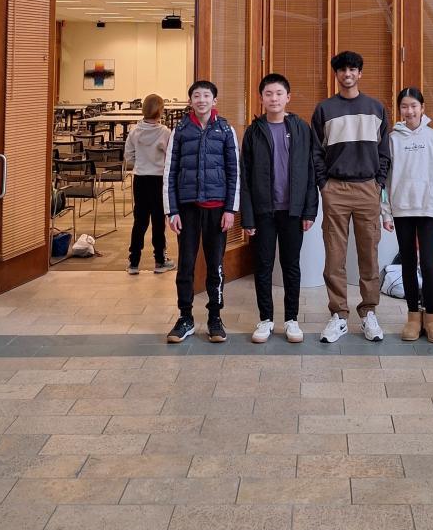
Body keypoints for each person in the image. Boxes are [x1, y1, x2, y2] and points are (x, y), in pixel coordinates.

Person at [311, 51, 390, 343]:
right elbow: (316, 152)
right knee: (334, 255)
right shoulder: (324, 109)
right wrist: (324, 184)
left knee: (369, 254)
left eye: (353, 69)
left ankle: (369, 312)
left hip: (368, 188)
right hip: (336, 188)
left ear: (360, 73)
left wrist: (378, 183)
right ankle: (339, 315)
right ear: (336, 74)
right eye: (342, 69)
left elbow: (384, 152)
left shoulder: (376, 108)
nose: (348, 74)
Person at [240, 73, 319, 344]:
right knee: (262, 266)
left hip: (293, 211)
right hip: (263, 211)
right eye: (268, 94)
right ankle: (265, 319)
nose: (274, 98)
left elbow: (310, 171)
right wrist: (247, 216)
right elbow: (245, 177)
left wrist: (309, 211)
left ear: (288, 97)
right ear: (261, 98)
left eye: (278, 93)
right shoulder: (254, 131)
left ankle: (291, 319)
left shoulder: (301, 128)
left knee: (291, 266)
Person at [163, 80, 239, 344]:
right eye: (197, 96)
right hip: (187, 209)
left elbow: (234, 172)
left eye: (206, 95)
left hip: (217, 210)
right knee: (186, 264)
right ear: (190, 101)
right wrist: (171, 211)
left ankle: (215, 317)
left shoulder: (226, 129)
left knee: (215, 265)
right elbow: (170, 172)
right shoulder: (180, 130)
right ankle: (185, 317)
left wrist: (230, 209)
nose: (202, 100)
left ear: (214, 101)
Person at [382, 87, 433, 343]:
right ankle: (413, 317)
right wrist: (386, 212)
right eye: (404, 106)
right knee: (408, 264)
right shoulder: (392, 139)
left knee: (428, 265)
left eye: (413, 106)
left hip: (429, 211)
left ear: (422, 108)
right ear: (399, 109)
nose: (409, 111)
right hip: (402, 211)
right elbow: (385, 181)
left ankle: (432, 318)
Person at [124, 92, 173, 276]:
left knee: (140, 221)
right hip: (158, 180)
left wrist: (141, 162)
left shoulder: (134, 131)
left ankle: (133, 262)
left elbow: (128, 156)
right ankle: (160, 261)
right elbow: (171, 156)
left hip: (140, 179)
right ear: (161, 111)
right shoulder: (165, 132)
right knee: (159, 221)